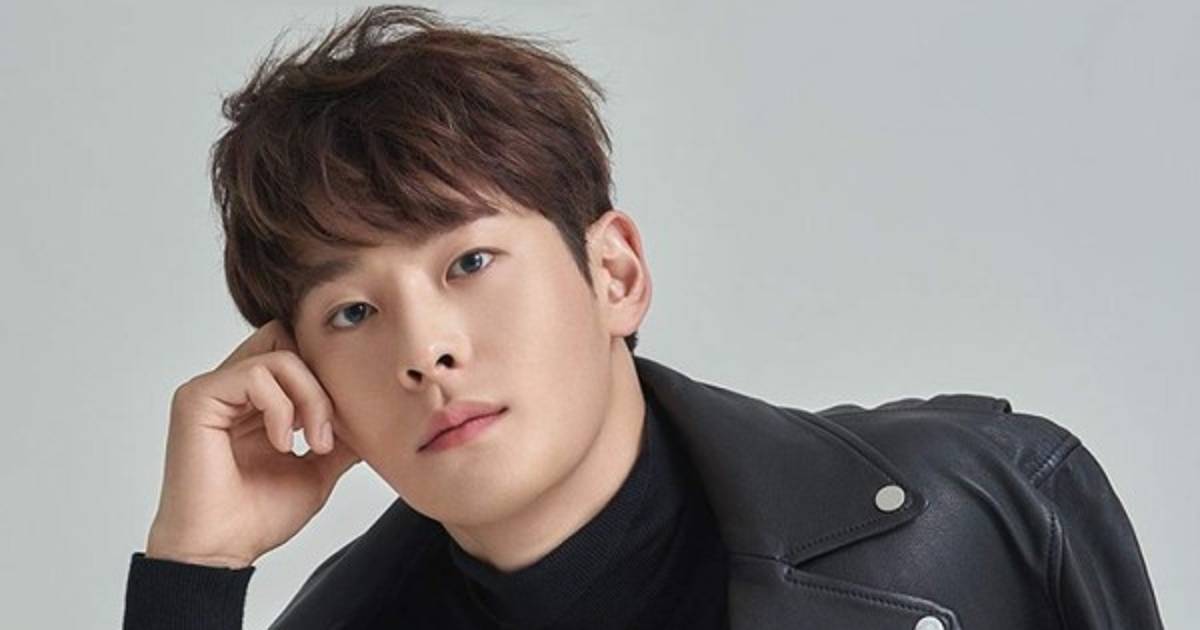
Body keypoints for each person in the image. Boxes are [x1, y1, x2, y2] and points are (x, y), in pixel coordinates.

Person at [123, 5, 1165, 629]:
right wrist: (192, 576)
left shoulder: (984, 506)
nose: (426, 350)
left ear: (614, 274)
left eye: (471, 261)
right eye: (353, 311)